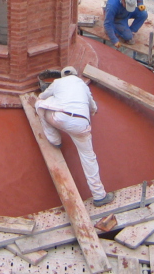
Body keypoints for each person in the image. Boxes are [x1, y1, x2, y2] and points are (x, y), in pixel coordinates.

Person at [36, 67, 112, 206]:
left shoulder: (57, 82)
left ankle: (55, 139)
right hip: (81, 124)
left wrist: (54, 97)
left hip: (59, 118)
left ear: (62, 76)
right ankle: (99, 196)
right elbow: (93, 106)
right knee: (89, 158)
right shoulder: (82, 84)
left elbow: (42, 96)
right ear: (76, 75)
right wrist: (92, 111)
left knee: (39, 104)